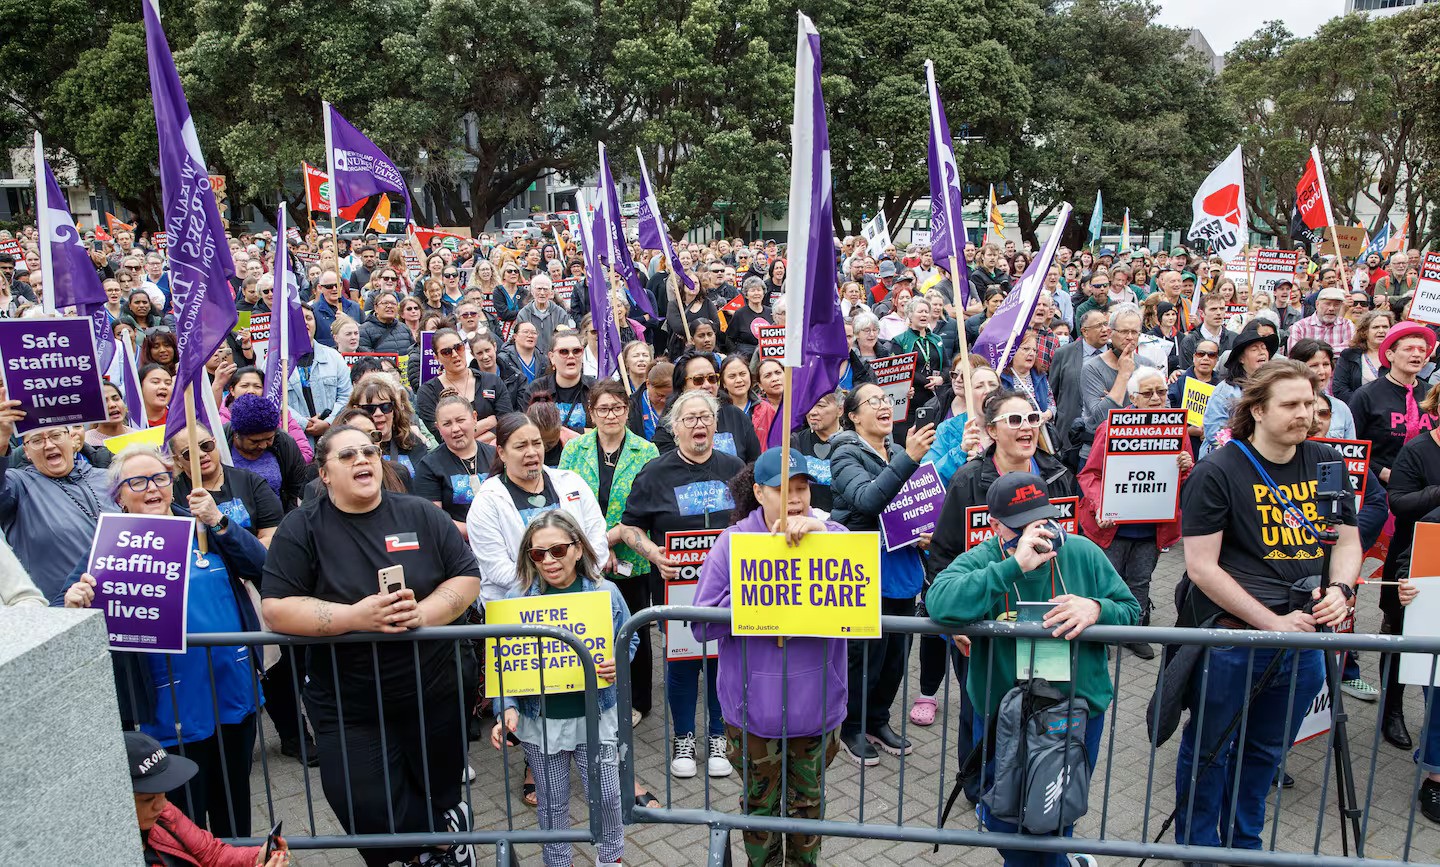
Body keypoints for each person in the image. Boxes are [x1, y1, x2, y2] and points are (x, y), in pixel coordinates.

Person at [261, 424, 482, 867]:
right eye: (347, 455)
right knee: (361, 800)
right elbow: (277, 609)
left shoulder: (419, 513)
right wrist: (354, 618)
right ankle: (432, 843)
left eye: (368, 451)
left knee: (437, 787)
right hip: (350, 702)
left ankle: (441, 846)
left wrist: (427, 611)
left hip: (433, 692)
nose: (362, 460)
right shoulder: (302, 527)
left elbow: (466, 576)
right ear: (323, 473)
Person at [1173, 360, 1361, 853]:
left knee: (1264, 750)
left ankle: (1244, 843)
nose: (1306, 414)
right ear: (1257, 410)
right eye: (1292, 404)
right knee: (1212, 747)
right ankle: (1196, 848)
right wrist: (1273, 622)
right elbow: (1201, 567)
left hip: (1303, 642)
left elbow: (1345, 541)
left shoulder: (1327, 461)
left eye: (1310, 404)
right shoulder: (1218, 471)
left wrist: (1341, 590)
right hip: (1235, 641)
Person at [926, 474, 1138, 866]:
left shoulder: (1082, 552)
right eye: (1019, 525)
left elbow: (1131, 610)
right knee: (1004, 818)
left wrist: (1096, 608)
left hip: (1074, 713)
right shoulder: (985, 558)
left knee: (1055, 815)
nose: (1035, 532)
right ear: (995, 525)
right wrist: (1014, 566)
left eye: (1040, 519)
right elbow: (939, 602)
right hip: (1005, 717)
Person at [63, 445, 269, 838]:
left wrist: (220, 521)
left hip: (230, 688)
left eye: (159, 478)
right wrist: (75, 601)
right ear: (119, 495)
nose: (152, 488)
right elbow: (66, 603)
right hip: (166, 703)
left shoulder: (203, 525)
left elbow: (262, 568)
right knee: (180, 814)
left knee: (234, 801)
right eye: (137, 481)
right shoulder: (109, 545)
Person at [691, 449, 848, 867]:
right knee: (759, 809)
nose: (795, 498)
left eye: (802, 488)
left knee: (808, 808)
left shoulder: (834, 534)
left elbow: (863, 591)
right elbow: (700, 625)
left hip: (817, 711)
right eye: (783, 489)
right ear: (759, 492)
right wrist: (754, 594)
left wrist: (824, 534)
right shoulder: (733, 543)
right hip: (754, 713)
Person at [490, 511, 637, 867]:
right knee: (552, 801)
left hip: (595, 714)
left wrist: (619, 663)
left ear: (577, 548)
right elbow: (502, 660)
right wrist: (505, 706)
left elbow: (627, 641)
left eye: (557, 550)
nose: (549, 561)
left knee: (607, 796)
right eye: (538, 554)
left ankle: (611, 856)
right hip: (541, 720)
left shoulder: (606, 592)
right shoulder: (516, 599)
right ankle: (558, 861)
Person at [618, 390, 743, 778]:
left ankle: (719, 737)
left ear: (715, 424)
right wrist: (653, 552)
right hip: (676, 587)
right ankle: (684, 739)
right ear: (675, 428)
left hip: (726, 588)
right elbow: (628, 527)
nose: (699, 425)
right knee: (684, 662)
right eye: (689, 419)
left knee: (723, 661)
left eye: (705, 417)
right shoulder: (655, 473)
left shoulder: (735, 467)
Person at [828, 382, 935, 765]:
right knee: (865, 655)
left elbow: (910, 505)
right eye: (872, 401)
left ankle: (878, 718)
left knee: (896, 653)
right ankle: (852, 726)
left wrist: (926, 528)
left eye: (886, 399)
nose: (883, 405)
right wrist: (908, 459)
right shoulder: (844, 454)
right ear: (853, 415)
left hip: (902, 567)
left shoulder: (893, 450)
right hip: (864, 569)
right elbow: (868, 500)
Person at [558, 381, 660, 718]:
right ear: (592, 412)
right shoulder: (574, 450)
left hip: (632, 556)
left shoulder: (646, 451)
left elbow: (647, 505)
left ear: (628, 411)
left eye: (617, 407)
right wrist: (597, 548)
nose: (611, 415)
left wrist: (610, 540)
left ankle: (637, 701)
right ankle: (597, 695)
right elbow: (565, 505)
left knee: (634, 629)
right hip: (584, 556)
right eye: (603, 408)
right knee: (593, 628)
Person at [1077, 368, 1193, 659]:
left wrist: (1186, 466)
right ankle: (1101, 638)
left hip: (1152, 527)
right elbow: (1089, 475)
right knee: (1107, 580)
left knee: (1140, 582)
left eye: (1161, 392)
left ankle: (1134, 632)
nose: (1156, 398)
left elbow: (1183, 480)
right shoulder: (1112, 427)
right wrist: (1100, 504)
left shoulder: (1176, 428)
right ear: (1133, 397)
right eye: (1148, 393)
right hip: (1112, 526)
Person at [466, 412, 609, 606]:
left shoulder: (571, 482)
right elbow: (497, 568)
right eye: (521, 446)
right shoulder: (487, 501)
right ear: (501, 453)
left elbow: (596, 538)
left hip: (579, 599)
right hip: (518, 606)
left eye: (536, 443)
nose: (532, 452)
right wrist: (549, 587)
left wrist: (575, 582)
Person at [0, 394, 119, 602]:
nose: (48, 445)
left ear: (72, 440)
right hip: (60, 616)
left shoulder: (107, 478)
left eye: (56, 435)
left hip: (123, 606)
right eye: (36, 440)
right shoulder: (18, 484)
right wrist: (1, 441)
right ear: (26, 451)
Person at [127, 731, 290, 867]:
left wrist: (257, 857)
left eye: (162, 792)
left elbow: (211, 853)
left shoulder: (164, 813)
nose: (161, 805)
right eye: (148, 800)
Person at [1347, 321, 1436, 485]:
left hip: (1428, 488)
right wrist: (1383, 473)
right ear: (1390, 355)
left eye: (1422, 350)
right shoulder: (1366, 395)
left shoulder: (1434, 394)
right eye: (1408, 349)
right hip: (1380, 487)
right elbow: (1352, 449)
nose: (1416, 354)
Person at [170, 424, 284, 547]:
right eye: (189, 453)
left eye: (206, 445)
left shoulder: (250, 482)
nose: (201, 454)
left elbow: (271, 536)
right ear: (177, 460)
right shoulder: (172, 495)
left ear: (215, 443)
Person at [653, 351, 762, 463]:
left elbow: (754, 463)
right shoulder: (669, 425)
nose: (707, 385)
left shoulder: (736, 416)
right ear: (682, 385)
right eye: (698, 380)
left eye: (712, 378)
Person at [415, 395, 498, 538]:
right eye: (447, 424)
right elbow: (434, 520)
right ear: (438, 428)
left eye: (460, 420)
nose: (455, 429)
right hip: (458, 545)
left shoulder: (496, 456)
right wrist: (481, 533)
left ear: (474, 417)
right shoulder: (428, 465)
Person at [415, 328, 511, 442]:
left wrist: (468, 440)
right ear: (437, 358)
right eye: (446, 352)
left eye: (458, 347)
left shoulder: (492, 381)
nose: (455, 355)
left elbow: (507, 425)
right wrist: (488, 423)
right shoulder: (428, 392)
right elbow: (442, 437)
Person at [222, 394, 310, 511]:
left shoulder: (284, 442)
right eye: (255, 441)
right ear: (236, 434)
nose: (263, 446)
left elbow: (298, 489)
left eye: (269, 439)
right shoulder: (220, 444)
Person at [1201, 320, 1276, 455]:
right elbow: (1214, 432)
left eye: (1264, 348)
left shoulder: (1277, 386)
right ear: (1241, 358)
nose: (1262, 352)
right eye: (1254, 349)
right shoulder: (1225, 390)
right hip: (1230, 456)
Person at [1050, 310, 1110, 461]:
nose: (1104, 329)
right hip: (1070, 433)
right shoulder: (1063, 354)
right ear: (1084, 331)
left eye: (1105, 324)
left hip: (1105, 433)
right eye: (1098, 326)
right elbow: (1052, 393)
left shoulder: (1117, 354)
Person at [348, 377, 430, 474]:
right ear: (356, 410)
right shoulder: (347, 449)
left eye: (385, 407)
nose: (378, 413)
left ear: (394, 410)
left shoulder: (412, 442)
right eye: (369, 408)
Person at [520, 329, 594, 432]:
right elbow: (533, 429)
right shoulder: (536, 389)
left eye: (576, 351)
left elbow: (604, 431)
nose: (571, 356)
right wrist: (583, 432)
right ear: (552, 357)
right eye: (564, 352)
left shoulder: (596, 389)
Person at [1289, 339, 1356, 438]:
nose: (1322, 371)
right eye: (1314, 365)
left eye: (1325, 364)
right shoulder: (1286, 406)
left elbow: (1352, 448)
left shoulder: (1341, 408)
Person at [793, 390, 845, 513]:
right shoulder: (795, 441)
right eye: (808, 406)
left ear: (840, 410)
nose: (812, 412)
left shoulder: (854, 443)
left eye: (820, 405)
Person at [1334, 309, 1394, 402]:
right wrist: (1364, 405)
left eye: (1385, 327)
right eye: (1376, 327)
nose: (1381, 331)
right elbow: (1340, 389)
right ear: (1364, 332)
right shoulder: (1349, 355)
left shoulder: (1397, 356)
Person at [1286, 285, 1355, 352]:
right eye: (1327, 304)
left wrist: (1313, 352)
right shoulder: (1300, 326)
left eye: (1336, 305)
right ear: (1317, 304)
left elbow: (1350, 350)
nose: (1331, 308)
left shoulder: (1347, 325)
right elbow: (1294, 353)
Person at [626, 360, 673, 441]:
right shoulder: (633, 405)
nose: (664, 400)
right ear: (648, 384)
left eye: (669, 396)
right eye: (659, 395)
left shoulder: (681, 404)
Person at [88, 380, 139, 446]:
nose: (112, 405)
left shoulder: (138, 437)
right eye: (104, 401)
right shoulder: (86, 442)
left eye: (116, 399)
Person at [140, 363, 175, 428]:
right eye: (155, 382)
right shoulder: (127, 422)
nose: (163, 386)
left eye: (168, 383)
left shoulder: (180, 420)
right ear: (140, 387)